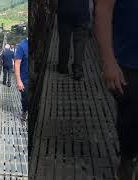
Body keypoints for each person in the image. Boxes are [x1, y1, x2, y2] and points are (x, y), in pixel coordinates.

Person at [96, 0, 138, 179]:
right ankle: (127, 161)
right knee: (131, 120)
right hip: (129, 62)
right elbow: (103, 10)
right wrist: (109, 61)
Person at [51, 0, 90, 80]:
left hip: (64, 11)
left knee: (64, 40)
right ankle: (77, 70)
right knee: (80, 42)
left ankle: (62, 66)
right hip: (82, 12)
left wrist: (56, 9)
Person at [14, 38, 28, 121]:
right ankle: (25, 111)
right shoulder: (21, 46)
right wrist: (18, 81)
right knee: (25, 98)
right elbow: (17, 63)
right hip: (25, 78)